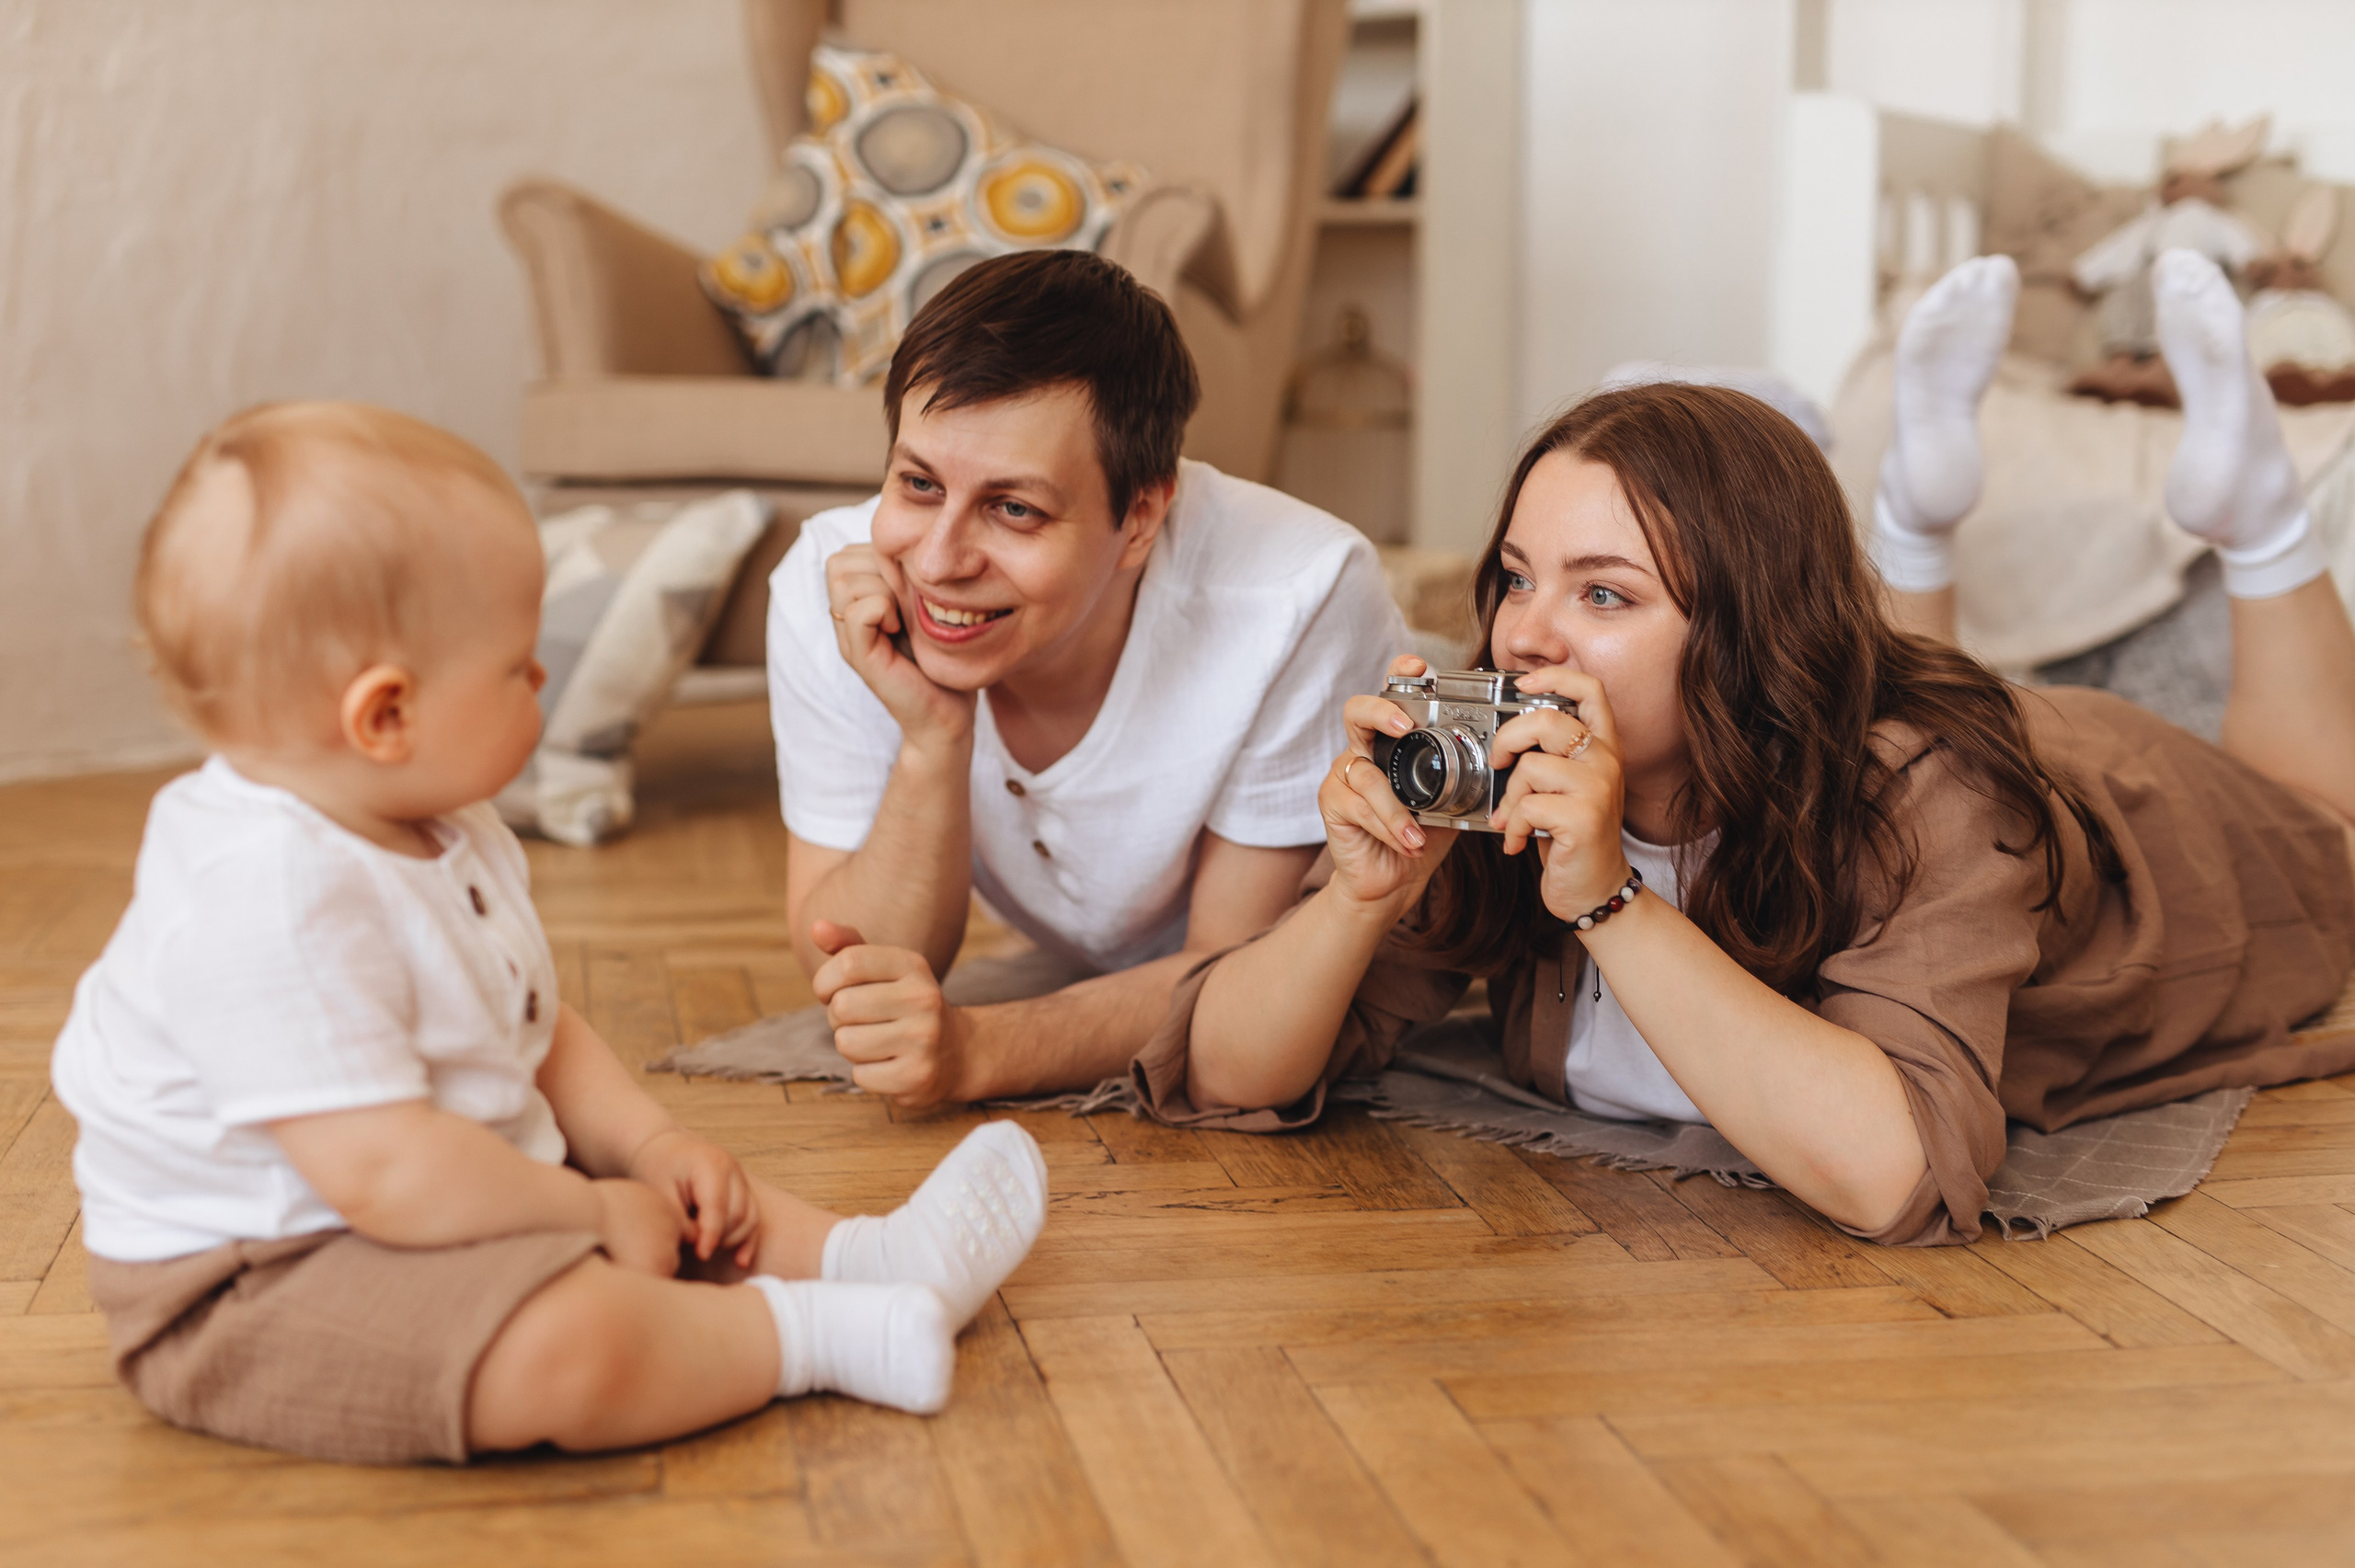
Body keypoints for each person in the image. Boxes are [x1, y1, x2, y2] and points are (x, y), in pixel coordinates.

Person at [1133, 249, 2355, 1247]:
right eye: (1514, 575)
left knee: (2331, 826)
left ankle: (2255, 513)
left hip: (2139, 815)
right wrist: (1359, 896)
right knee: (1920, 689)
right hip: (1893, 717)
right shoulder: (1499, 762)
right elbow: (1229, 1071)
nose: (1525, 635)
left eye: (1604, 595)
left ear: (1740, 631)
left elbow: (1893, 1175)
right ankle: (1917, 521)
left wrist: (1610, 897)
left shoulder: (1929, 798)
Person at [52, 403, 1050, 1465]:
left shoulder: (438, 817)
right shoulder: (264, 898)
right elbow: (383, 1173)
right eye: (518, 665)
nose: (541, 683)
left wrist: (649, 1151)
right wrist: (581, 1218)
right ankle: (815, 1337)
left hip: (447, 1179)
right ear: (385, 717)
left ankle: (871, 1258)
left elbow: (534, 1025)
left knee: (691, 1199)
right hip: (258, 1275)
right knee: (564, 1345)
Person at [768, 250, 1407, 1107]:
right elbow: (849, 964)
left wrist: (984, 1047)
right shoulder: (834, 583)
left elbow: (1228, 989)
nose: (938, 559)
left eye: (1014, 508)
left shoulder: (1298, 595)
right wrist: (933, 734)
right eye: (918, 483)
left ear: (1140, 515)